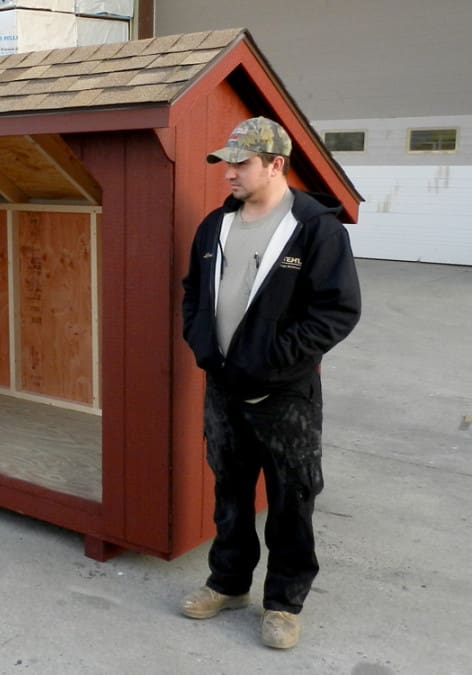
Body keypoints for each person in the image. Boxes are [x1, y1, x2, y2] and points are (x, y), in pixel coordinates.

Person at [180, 117, 362, 649]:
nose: (228, 173)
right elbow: (194, 293)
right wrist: (203, 346)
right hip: (223, 387)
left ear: (275, 164)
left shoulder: (314, 227)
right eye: (225, 163)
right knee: (230, 489)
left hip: (285, 393)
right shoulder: (216, 225)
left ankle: (284, 602)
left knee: (291, 497)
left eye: (240, 163)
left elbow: (337, 312)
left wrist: (272, 359)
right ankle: (229, 584)